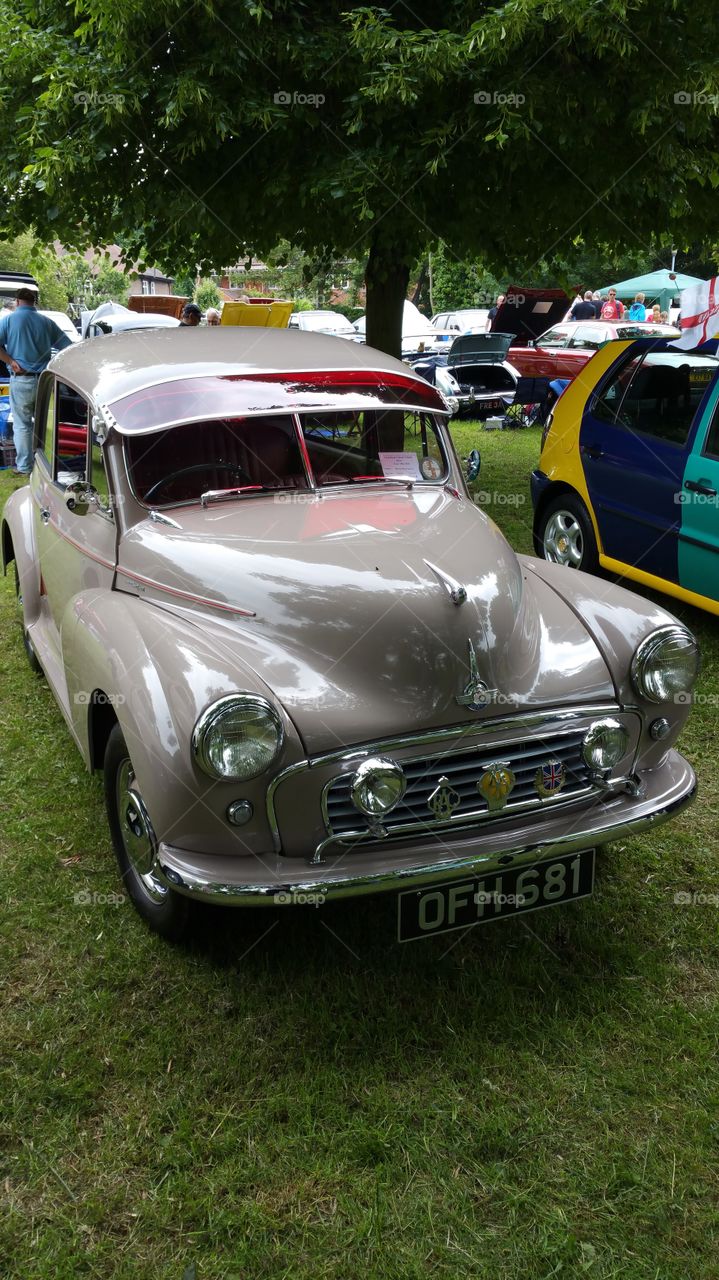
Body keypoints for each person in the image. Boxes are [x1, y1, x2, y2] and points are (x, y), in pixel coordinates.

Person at [0, 288, 73, 477]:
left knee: (23, 425)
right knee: (47, 425)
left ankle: (24, 466)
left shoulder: (8, 320)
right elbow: (68, 347)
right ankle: (48, 466)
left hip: (22, 380)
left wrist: (10, 361)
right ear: (35, 302)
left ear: (17, 301)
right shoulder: (47, 322)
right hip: (45, 381)